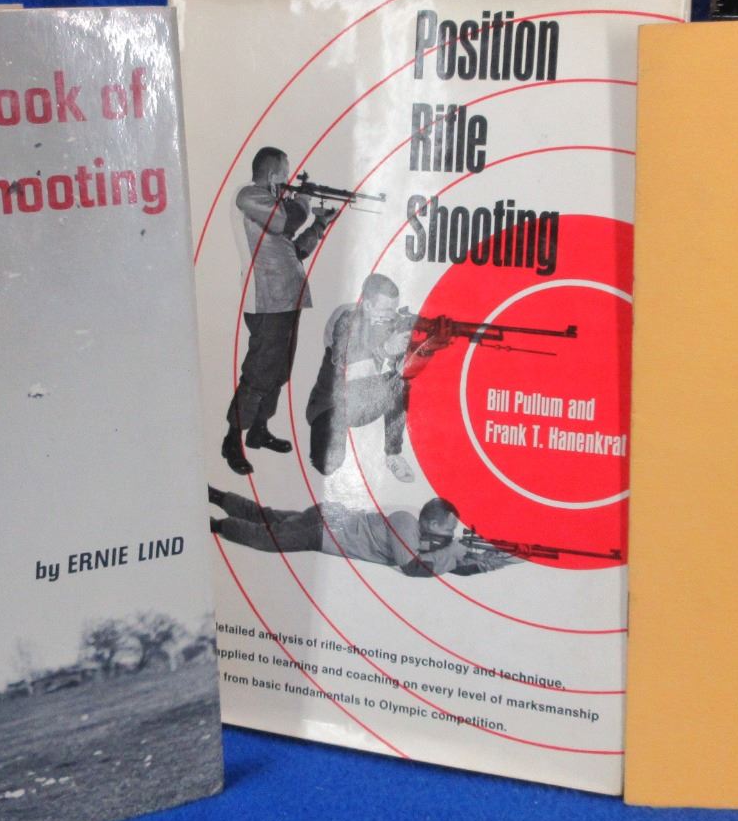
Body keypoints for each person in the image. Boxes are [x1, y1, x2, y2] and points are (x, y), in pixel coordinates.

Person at [224, 146, 337, 475]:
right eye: (285, 173)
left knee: (279, 371)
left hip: (288, 299)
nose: (288, 179)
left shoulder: (273, 207)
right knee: (259, 372)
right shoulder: (249, 196)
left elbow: (295, 251)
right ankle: (233, 438)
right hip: (265, 300)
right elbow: (284, 221)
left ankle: (259, 430)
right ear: (273, 174)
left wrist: (319, 225)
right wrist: (303, 199)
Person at [208, 486, 519, 578]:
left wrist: (486, 563)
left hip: (328, 519)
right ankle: (213, 524)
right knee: (267, 539)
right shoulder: (405, 523)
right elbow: (413, 568)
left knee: (267, 518)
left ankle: (215, 496)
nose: (451, 534)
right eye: (448, 529)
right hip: (325, 531)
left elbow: (448, 566)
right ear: (433, 524)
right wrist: (452, 551)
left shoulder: (418, 528)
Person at [306, 273, 437, 481]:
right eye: (386, 309)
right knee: (327, 466)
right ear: (367, 305)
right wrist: (385, 350)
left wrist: (426, 349)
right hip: (333, 405)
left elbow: (406, 371)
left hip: (368, 400)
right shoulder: (346, 322)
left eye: (394, 308)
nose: (392, 315)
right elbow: (346, 371)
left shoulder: (393, 324)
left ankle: (393, 454)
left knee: (399, 383)